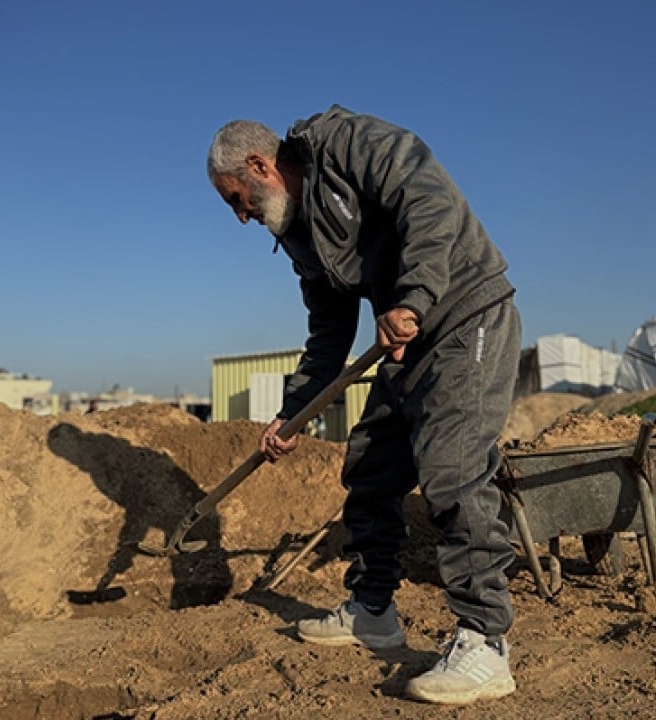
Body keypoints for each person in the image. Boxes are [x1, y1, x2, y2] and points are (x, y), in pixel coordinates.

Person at [207, 105, 522, 705]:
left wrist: (412, 301)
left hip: (464, 314)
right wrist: (292, 411)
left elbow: (429, 204)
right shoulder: (299, 236)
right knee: (371, 467)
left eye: (236, 199)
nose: (241, 217)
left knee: (452, 471)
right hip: (406, 341)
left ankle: (485, 643)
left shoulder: (346, 144)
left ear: (258, 165)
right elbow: (328, 332)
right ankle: (373, 610)